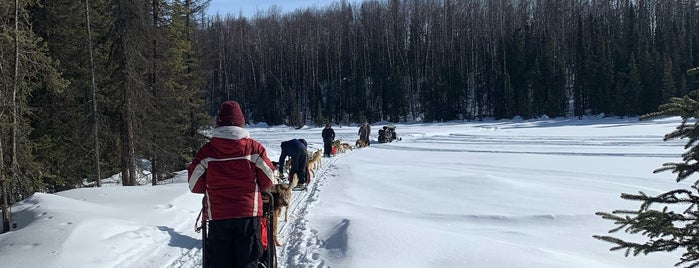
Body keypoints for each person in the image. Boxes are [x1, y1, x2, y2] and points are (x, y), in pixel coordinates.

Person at [188, 101, 276, 268]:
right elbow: (268, 179)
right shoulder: (253, 148)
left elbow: (194, 185)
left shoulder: (206, 151)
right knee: (248, 261)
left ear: (218, 122)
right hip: (248, 215)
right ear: (241, 122)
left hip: (218, 216)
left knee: (220, 262)